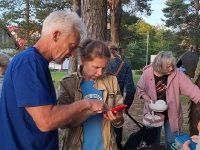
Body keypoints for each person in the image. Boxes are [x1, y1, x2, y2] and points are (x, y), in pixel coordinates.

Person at [0, 10, 110, 150]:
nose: (71, 54)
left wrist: (90, 111)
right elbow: (46, 121)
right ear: (56, 35)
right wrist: (87, 104)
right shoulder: (29, 63)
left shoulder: (37, 63)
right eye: (71, 46)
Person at [57, 39, 125, 150]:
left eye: (104, 68)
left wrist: (117, 118)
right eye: (96, 67)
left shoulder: (111, 80)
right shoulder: (68, 83)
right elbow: (63, 123)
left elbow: (119, 121)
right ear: (83, 60)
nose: (100, 73)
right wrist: (89, 111)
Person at [137, 51, 200, 150]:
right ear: (159, 66)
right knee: (152, 143)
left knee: (173, 142)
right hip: (153, 114)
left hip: (172, 114)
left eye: (172, 66)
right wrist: (149, 100)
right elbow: (140, 89)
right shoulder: (147, 73)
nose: (171, 68)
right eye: (168, 66)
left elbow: (191, 89)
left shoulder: (177, 73)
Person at [106, 41, 136, 149]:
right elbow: (131, 90)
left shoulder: (101, 64)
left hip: (100, 105)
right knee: (117, 139)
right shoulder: (125, 65)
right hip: (117, 105)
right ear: (116, 51)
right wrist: (125, 107)